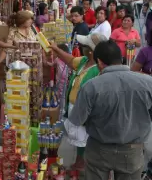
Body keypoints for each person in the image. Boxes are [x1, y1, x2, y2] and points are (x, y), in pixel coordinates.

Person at [67, 40, 152, 180]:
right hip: (132, 151)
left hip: (98, 149)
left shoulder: (91, 86)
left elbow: (77, 120)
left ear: (99, 62)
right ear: (120, 58)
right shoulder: (147, 83)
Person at [51, 33, 107, 171]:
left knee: (83, 138)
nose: (81, 47)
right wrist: (56, 49)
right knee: (74, 136)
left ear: (91, 51)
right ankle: (75, 162)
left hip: (85, 110)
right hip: (73, 107)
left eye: (84, 46)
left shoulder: (98, 70)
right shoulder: (84, 61)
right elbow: (70, 60)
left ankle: (81, 165)